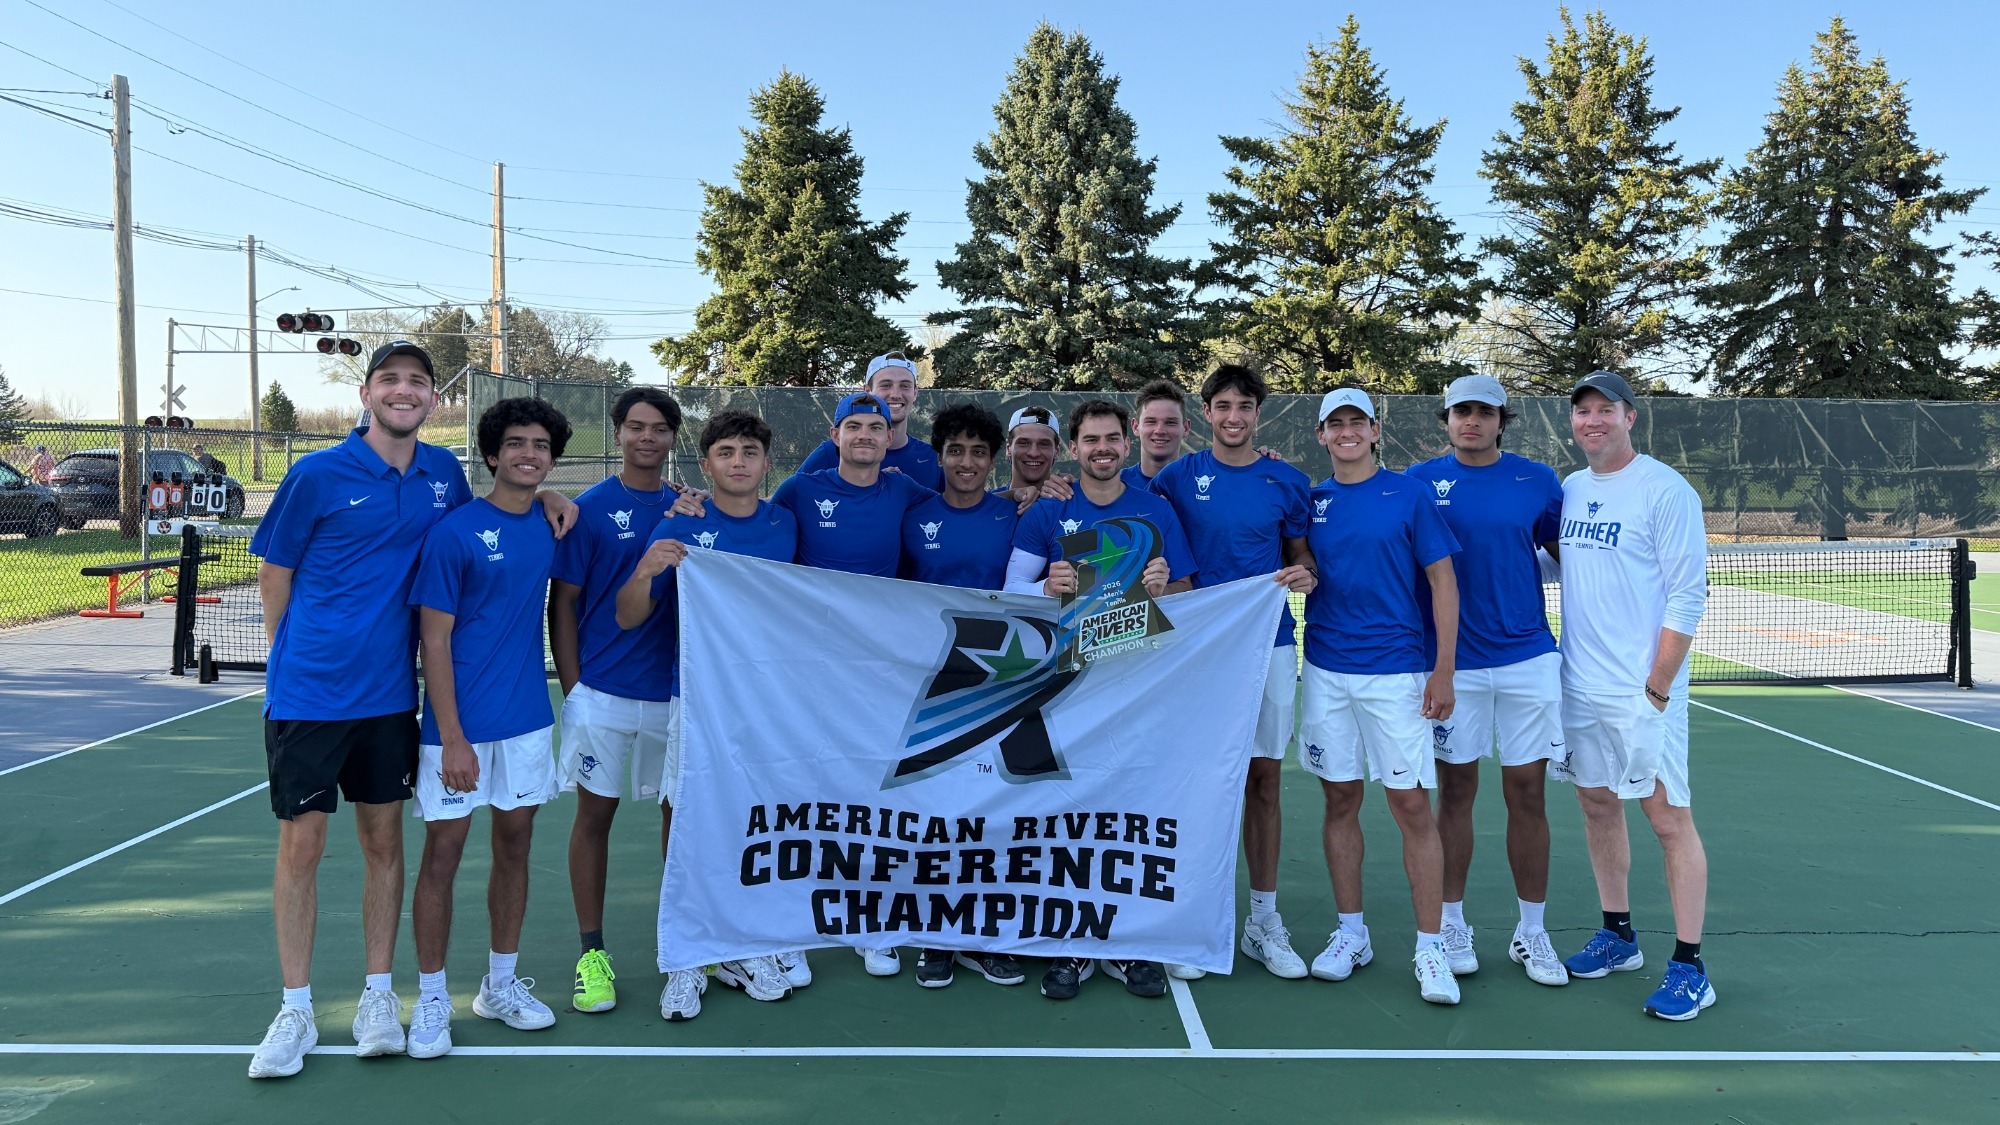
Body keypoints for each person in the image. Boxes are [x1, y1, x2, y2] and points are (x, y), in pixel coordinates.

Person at [243, 341, 574, 1080]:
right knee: (302, 848)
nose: (403, 391)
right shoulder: (315, 474)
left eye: (417, 382)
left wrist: (548, 492)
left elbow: (494, 516)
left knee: (385, 845)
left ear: (432, 399)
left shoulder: (442, 475)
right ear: (367, 393)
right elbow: (274, 575)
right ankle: (294, 1007)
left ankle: (374, 997)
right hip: (310, 694)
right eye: (389, 380)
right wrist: (290, 657)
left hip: (394, 696)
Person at [1005, 398, 1197, 1002]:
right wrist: (1046, 586)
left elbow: (1190, 595)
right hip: (1063, 685)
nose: (1103, 449)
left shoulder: (1155, 509)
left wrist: (1166, 589)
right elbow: (1009, 593)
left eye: (1112, 438)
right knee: (1064, 810)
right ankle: (1070, 941)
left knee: (1129, 810)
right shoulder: (1048, 510)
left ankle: (1128, 942)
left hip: (1135, 686)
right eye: (1090, 440)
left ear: (1127, 442)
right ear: (1074, 447)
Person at [617, 409, 800, 1017]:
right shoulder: (684, 524)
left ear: (767, 463)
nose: (739, 461)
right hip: (693, 696)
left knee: (755, 814)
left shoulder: (785, 525)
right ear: (707, 463)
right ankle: (685, 955)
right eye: (726, 452)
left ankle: (739, 941)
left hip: (767, 700)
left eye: (751, 451)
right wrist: (646, 569)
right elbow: (629, 615)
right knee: (686, 812)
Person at [404, 398, 572, 1059]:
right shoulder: (454, 533)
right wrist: (451, 735)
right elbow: (433, 641)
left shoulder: (554, 522)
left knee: (515, 848)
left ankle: (499, 985)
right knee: (442, 857)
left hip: (528, 719)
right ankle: (432, 998)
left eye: (542, 445)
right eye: (517, 443)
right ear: (492, 455)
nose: (530, 453)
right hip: (458, 727)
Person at [1147, 364, 1317, 983]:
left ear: (1258, 413)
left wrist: (1307, 575)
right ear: (1207, 412)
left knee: (1264, 780)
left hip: (1268, 645)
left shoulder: (1287, 480)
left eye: (1245, 406)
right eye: (1223, 406)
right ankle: (1189, 917)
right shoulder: (1176, 477)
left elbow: (1303, 558)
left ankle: (1262, 920)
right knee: (1193, 781)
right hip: (1192, 652)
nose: (1234, 417)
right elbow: (1121, 503)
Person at [1552, 371, 1714, 1021]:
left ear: (1630, 418)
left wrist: (1658, 686)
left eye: (1605, 410)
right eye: (1582, 411)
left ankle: (1690, 966)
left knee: (1668, 819)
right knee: (1596, 805)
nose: (1592, 420)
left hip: (1645, 692)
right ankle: (1618, 934)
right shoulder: (1570, 489)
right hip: (1579, 685)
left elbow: (1687, 594)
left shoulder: (1665, 490)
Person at [1297, 387, 1464, 1006]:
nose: (1345, 432)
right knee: (1340, 799)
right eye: (1334, 424)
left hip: (1396, 674)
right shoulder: (1311, 501)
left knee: (1411, 806)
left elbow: (1443, 581)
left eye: (1356, 422)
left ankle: (1431, 947)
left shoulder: (1411, 494)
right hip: (1325, 670)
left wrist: (1442, 669)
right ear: (1321, 435)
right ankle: (1351, 935)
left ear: (1374, 431)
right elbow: (1300, 563)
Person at [1402, 375, 1570, 987]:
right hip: (1452, 666)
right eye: (1460, 411)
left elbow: (1571, 556)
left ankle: (1533, 932)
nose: (1471, 421)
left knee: (1528, 794)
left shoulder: (1538, 480)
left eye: (1484, 412)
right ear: (1446, 419)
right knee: (1457, 793)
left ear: (1503, 419)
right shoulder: (1419, 483)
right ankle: (1451, 922)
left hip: (1528, 660)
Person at [771, 392, 933, 975]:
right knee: (806, 786)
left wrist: (1023, 495)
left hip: (881, 669)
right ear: (835, 435)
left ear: (891, 437)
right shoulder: (800, 490)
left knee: (873, 788)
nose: (866, 434)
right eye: (854, 426)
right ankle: (792, 922)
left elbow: (964, 509)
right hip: (810, 669)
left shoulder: (907, 491)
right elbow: (751, 535)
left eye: (877, 426)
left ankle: (872, 921)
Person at [546, 387, 684, 1018]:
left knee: (680, 823)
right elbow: (564, 605)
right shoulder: (590, 509)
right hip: (602, 694)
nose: (646, 438)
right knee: (593, 819)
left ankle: (685, 945)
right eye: (635, 427)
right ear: (618, 433)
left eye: (658, 428)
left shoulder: (692, 509)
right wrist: (574, 690)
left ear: (673, 439)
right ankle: (592, 953)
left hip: (675, 697)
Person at [898, 403, 1028, 989]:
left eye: (979, 452)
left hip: (1004, 680)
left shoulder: (1018, 514)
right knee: (936, 809)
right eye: (956, 450)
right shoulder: (913, 514)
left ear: (992, 460)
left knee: (997, 809)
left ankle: (986, 932)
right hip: (932, 682)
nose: (967, 462)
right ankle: (935, 936)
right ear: (940, 456)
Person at [794, 352, 944, 490]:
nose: (896, 394)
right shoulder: (831, 452)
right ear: (867, 391)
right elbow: (782, 504)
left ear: (915, 392)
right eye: (886, 385)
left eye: (905, 386)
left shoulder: (933, 458)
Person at [1123, 380, 1191, 490]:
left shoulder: (1201, 485)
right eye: (1151, 422)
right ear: (1135, 427)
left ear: (1186, 428)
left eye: (1170, 422)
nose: (1159, 430)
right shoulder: (1115, 485)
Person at [1002, 405, 1063, 501]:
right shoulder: (984, 504)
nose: (1034, 453)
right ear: (1008, 448)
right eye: (1024, 443)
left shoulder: (1070, 501)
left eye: (1043, 444)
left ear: (1057, 451)